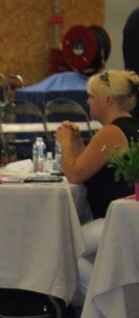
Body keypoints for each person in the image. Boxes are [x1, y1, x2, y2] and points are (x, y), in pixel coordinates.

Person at [57, 70, 139, 222]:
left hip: (111, 221)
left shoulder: (111, 132)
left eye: (92, 96)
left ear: (108, 100)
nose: (88, 101)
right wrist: (76, 141)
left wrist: (65, 142)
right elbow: (90, 169)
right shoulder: (127, 125)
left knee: (64, 241)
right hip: (120, 216)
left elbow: (75, 175)